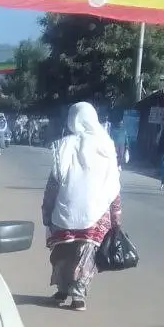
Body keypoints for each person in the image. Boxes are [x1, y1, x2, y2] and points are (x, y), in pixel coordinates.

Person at [41, 102, 122, 312]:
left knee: (63, 252)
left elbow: (53, 183)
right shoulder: (106, 145)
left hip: (64, 210)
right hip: (96, 213)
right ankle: (78, 294)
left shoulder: (64, 146)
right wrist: (116, 219)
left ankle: (63, 289)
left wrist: (46, 211)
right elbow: (113, 185)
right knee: (87, 254)